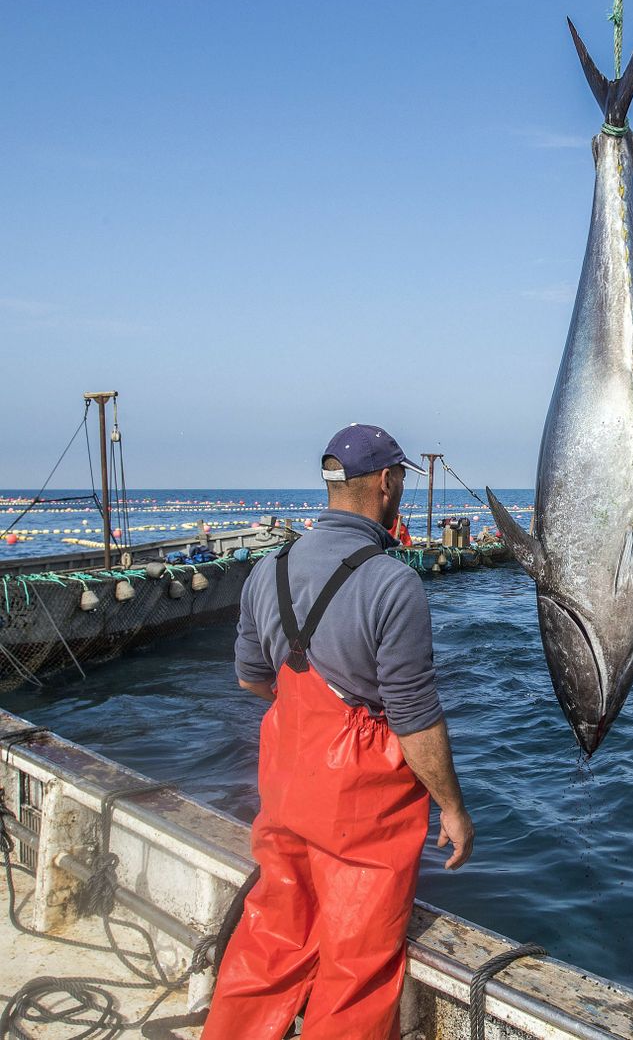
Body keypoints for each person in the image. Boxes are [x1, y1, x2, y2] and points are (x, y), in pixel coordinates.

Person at [207, 424, 473, 1040]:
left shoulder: (267, 570)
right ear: (388, 482)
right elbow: (413, 714)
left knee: (271, 936)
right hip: (361, 806)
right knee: (357, 966)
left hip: (285, 786)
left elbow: (252, 681)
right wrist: (452, 806)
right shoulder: (392, 582)